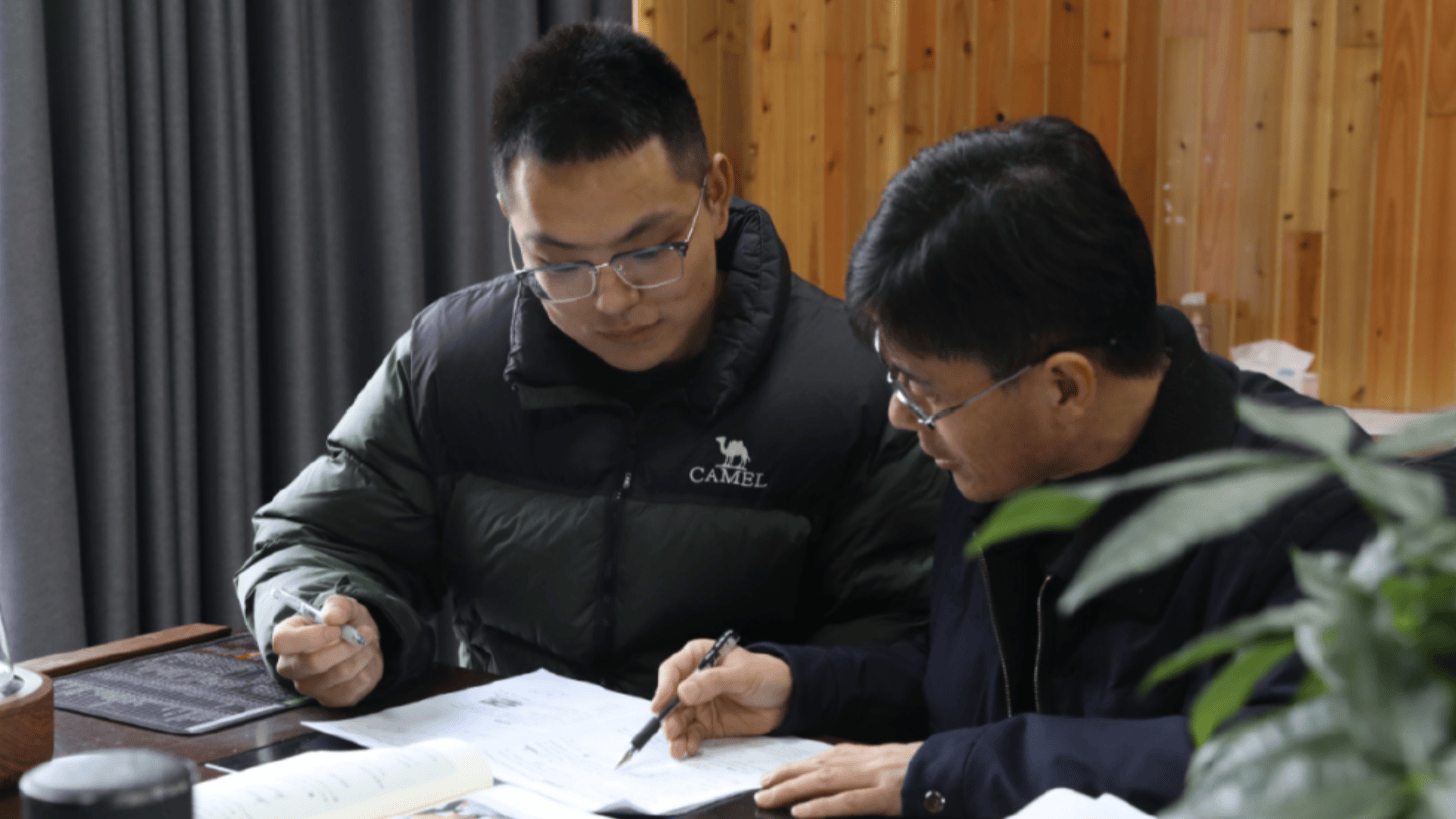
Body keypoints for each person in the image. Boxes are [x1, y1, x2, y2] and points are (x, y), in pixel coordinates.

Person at [650, 116, 1373, 818]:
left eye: (923, 390)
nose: (901, 414)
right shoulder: (998, 455)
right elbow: (967, 685)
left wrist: (961, 772)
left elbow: (1296, 760)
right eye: (895, 379)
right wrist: (799, 686)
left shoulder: (1325, 508)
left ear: (1065, 388)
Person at [234, 22, 944, 708]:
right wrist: (332, 624)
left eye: (650, 252)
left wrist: (790, 684)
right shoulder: (451, 360)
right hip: (504, 765)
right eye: (559, 263)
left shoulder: (861, 387)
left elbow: (921, 642)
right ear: (510, 221)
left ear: (716, 195)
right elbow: (308, 540)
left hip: (754, 770)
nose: (611, 300)